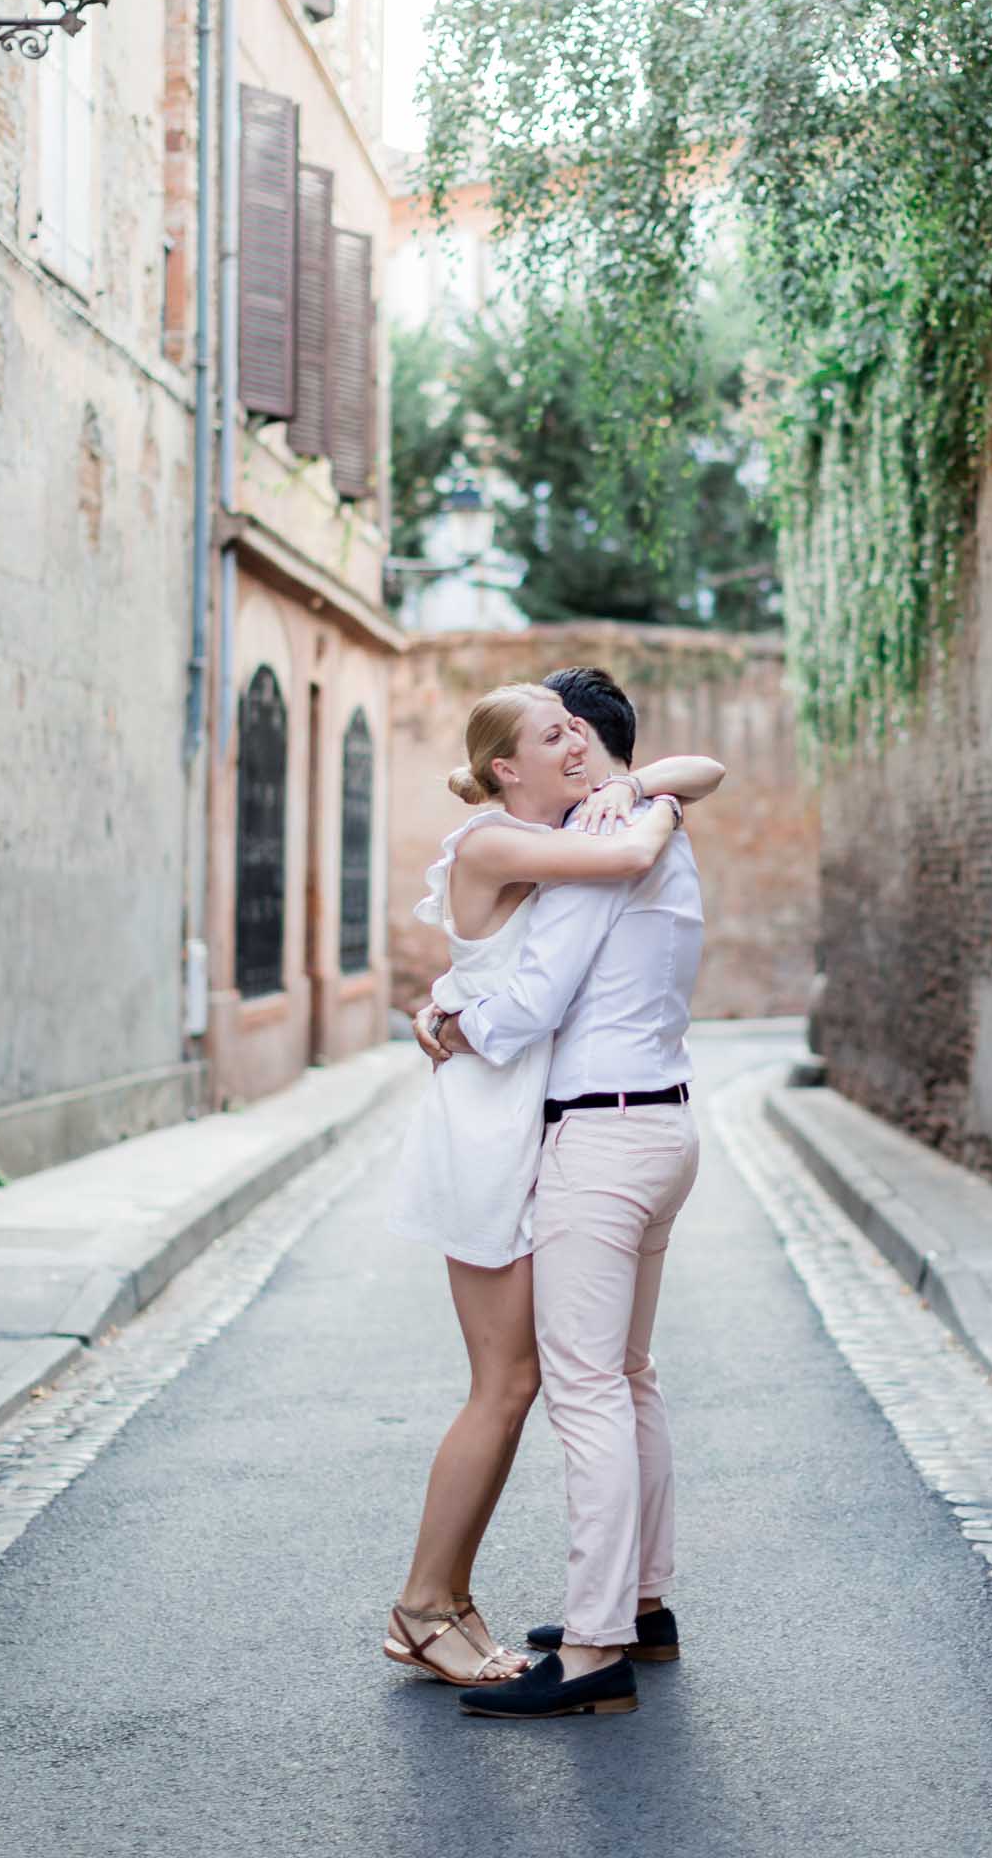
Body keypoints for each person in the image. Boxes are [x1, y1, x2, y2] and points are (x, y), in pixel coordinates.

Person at [384, 679, 722, 1690]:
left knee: (562, 1380)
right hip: (500, 1124)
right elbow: (520, 996)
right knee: (525, 1381)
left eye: (575, 732)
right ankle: (433, 1606)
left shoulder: (587, 842)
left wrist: (646, 793)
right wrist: (454, 1024)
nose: (570, 748)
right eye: (548, 736)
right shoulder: (522, 844)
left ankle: (582, 1622)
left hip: (571, 1127)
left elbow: (516, 981)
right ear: (506, 766)